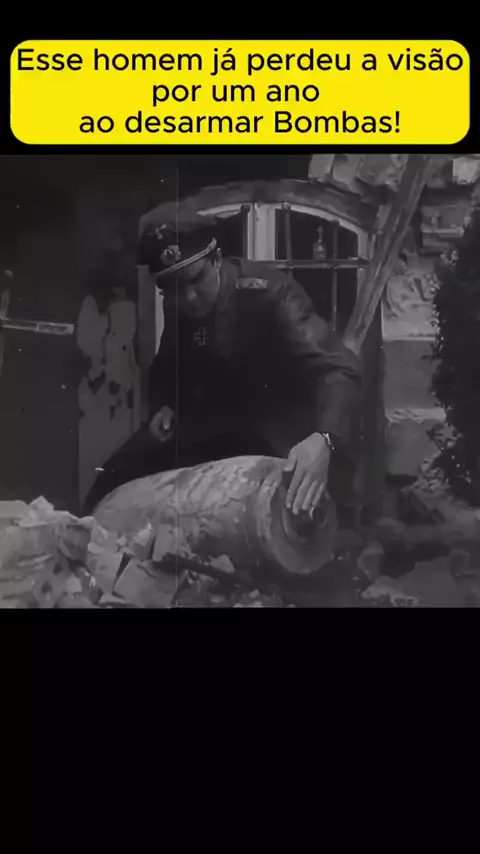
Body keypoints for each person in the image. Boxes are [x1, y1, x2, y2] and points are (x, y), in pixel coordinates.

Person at [83, 211, 363, 517]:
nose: (189, 297)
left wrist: (325, 439)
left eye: (197, 280)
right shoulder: (180, 301)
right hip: (217, 432)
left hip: (280, 436)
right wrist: (165, 406)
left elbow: (338, 368)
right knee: (116, 476)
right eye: (174, 288)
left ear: (216, 259)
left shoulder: (269, 293)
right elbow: (168, 364)